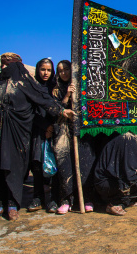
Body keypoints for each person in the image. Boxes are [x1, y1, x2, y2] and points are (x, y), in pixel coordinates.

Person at [0, 53, 74, 222]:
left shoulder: (25, 84)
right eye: (4, 65)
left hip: (18, 134)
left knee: (14, 169)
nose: (5, 69)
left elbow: (43, 101)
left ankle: (12, 205)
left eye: (9, 65)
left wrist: (61, 111)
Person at [94, 129, 137, 216]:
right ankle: (114, 204)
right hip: (107, 183)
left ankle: (126, 201)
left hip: (116, 180)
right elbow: (128, 172)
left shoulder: (132, 141)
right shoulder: (126, 140)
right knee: (136, 177)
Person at [28, 58, 61, 214]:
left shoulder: (55, 87)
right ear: (38, 70)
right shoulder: (32, 88)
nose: (46, 73)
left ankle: (54, 199)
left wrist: (52, 127)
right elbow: (30, 112)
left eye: (48, 70)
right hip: (38, 131)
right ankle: (38, 198)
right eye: (43, 69)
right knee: (37, 165)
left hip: (54, 131)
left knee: (54, 165)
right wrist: (44, 126)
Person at [51, 60, 77, 215]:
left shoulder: (80, 85)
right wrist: (67, 94)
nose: (64, 73)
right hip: (62, 131)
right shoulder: (55, 90)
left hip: (77, 130)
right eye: (60, 71)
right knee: (64, 164)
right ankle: (66, 199)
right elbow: (56, 108)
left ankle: (82, 199)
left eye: (66, 69)